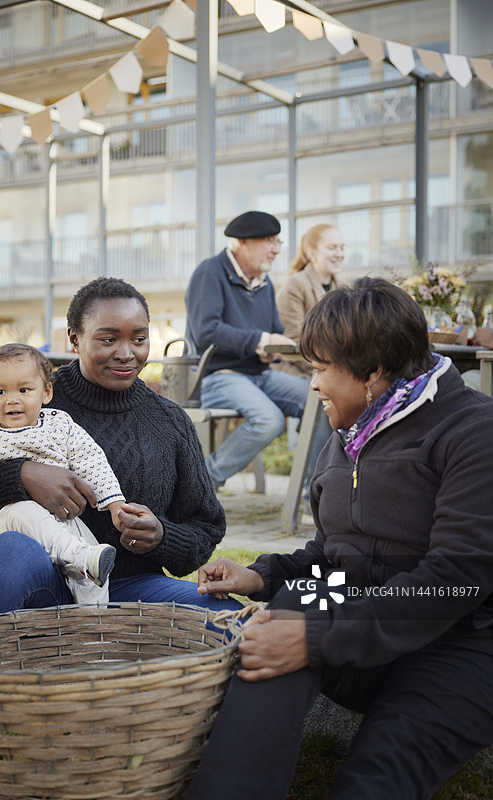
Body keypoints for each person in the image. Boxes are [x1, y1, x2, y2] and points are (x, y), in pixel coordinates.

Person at [184, 277, 493, 800]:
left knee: (372, 779)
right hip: (367, 636)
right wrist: (261, 575)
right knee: (291, 607)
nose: (313, 385)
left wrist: (316, 638)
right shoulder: (347, 438)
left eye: (321, 368)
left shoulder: (473, 431)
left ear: (374, 372)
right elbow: (333, 556)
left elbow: (456, 581)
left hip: (462, 647)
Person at [0, 277, 242, 624]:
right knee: (13, 548)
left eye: (139, 339)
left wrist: (162, 537)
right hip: (42, 585)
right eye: (108, 339)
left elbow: (206, 527)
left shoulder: (170, 422)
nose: (126, 353)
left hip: (132, 589)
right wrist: (18, 477)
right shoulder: (21, 398)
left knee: (231, 617)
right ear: (74, 339)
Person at [0, 343, 124, 605]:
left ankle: (93, 622)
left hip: (60, 518)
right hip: (8, 519)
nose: (11, 399)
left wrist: (115, 504)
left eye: (24, 390)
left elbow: (90, 460)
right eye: (0, 391)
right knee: (27, 512)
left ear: (46, 392)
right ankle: (79, 558)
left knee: (93, 564)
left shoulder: (61, 424)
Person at [184, 211, 310, 489]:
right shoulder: (209, 273)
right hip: (216, 376)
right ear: (243, 242)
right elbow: (206, 333)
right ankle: (199, 484)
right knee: (269, 421)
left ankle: (314, 489)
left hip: (259, 375)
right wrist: (258, 341)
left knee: (320, 400)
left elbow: (273, 329)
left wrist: (269, 348)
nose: (277, 249)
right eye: (269, 241)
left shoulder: (265, 282)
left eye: (278, 242)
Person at [274, 224, 345, 491]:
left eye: (342, 248)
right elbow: (293, 341)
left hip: (328, 369)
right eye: (332, 247)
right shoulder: (296, 285)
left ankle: (345, 481)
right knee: (325, 397)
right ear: (312, 252)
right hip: (295, 369)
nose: (339, 253)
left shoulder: (342, 288)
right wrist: (331, 368)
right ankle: (313, 491)